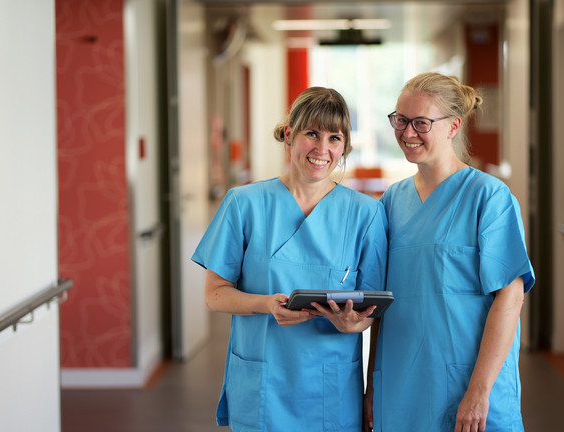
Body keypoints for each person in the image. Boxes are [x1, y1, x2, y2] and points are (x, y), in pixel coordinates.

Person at [192, 86, 388, 432]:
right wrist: (268, 304)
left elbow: (371, 311)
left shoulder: (367, 214)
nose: (322, 149)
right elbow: (214, 294)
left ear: (344, 148)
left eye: (334, 138)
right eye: (311, 133)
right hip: (264, 380)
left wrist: (352, 324)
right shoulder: (244, 204)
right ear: (289, 134)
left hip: (331, 385)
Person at [364, 72, 535, 432]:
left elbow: (510, 295)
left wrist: (479, 389)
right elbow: (381, 303)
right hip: (401, 385)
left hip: (468, 384)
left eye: (421, 123)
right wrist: (372, 386)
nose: (407, 133)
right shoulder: (392, 202)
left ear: (453, 126)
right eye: (400, 120)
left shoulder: (488, 198)